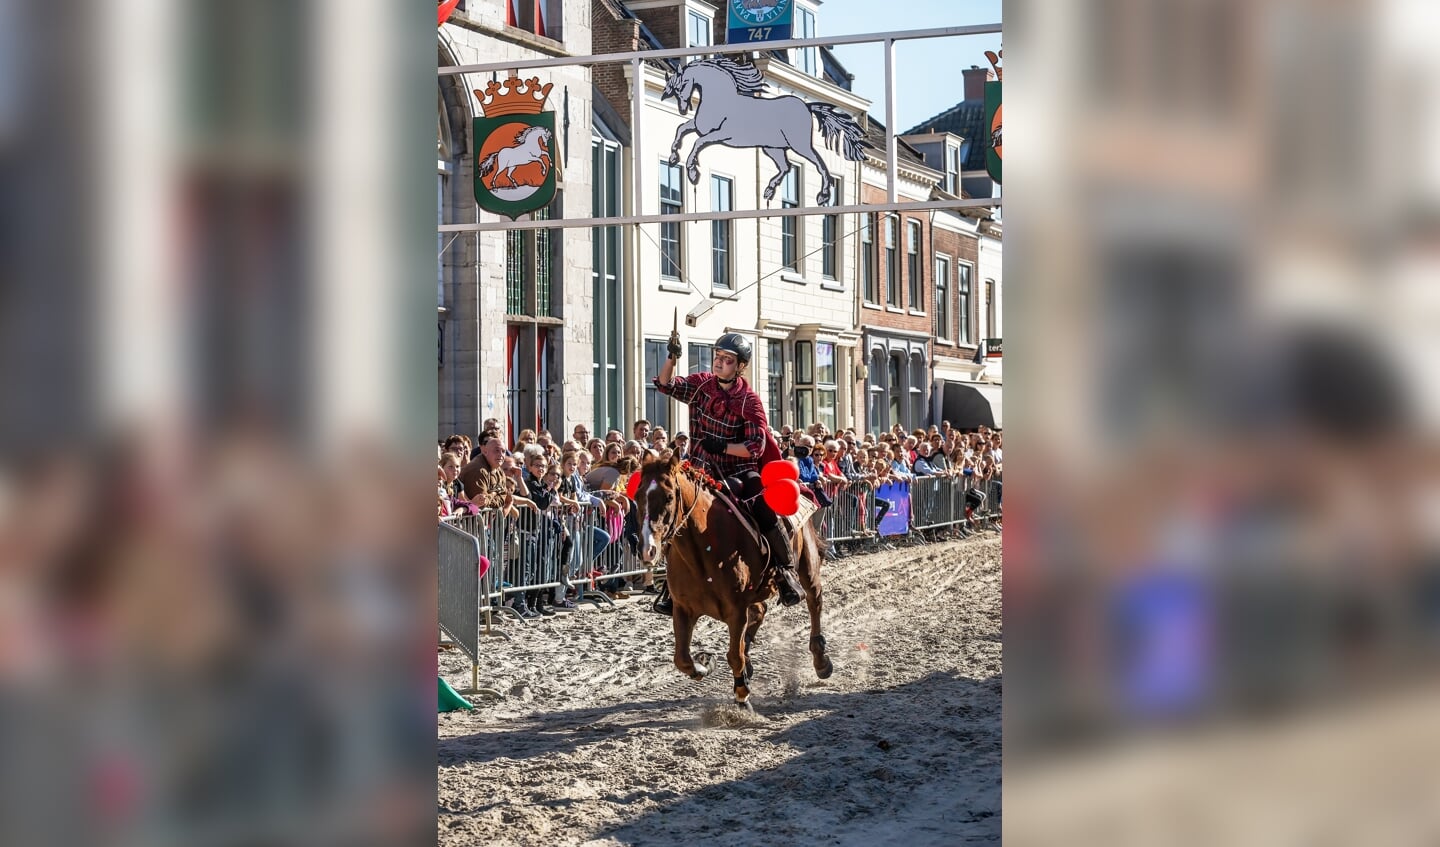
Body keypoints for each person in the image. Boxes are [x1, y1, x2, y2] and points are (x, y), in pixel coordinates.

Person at [650, 330, 803, 614]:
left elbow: (755, 447)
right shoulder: (700, 386)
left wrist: (723, 446)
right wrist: (671, 357)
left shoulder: (750, 401)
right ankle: (670, 588)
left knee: (763, 506)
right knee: (678, 514)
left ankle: (785, 572)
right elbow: (665, 384)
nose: (719, 363)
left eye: (727, 360)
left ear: (741, 366)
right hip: (698, 470)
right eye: (717, 357)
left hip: (739, 470)